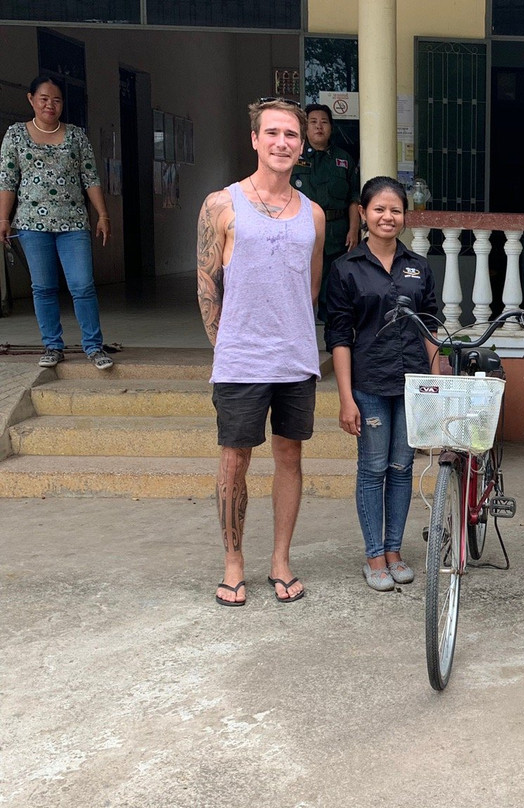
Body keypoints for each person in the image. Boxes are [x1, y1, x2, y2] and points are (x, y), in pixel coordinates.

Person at [196, 98, 326, 607]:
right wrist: (225, 347)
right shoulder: (221, 204)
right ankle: (233, 563)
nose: (282, 142)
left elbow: (309, 289)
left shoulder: (312, 215)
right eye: (272, 133)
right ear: (254, 139)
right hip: (240, 360)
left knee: (289, 457)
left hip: (295, 358)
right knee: (234, 461)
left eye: (291, 135)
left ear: (301, 145)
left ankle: (280, 558)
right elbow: (207, 284)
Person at [325, 176, 439, 592]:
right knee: (373, 469)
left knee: (402, 467)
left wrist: (435, 386)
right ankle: (374, 554)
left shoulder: (419, 267)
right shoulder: (346, 269)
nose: (388, 217)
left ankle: (394, 550)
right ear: (364, 213)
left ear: (404, 217)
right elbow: (339, 337)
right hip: (369, 384)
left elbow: (431, 327)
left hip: (412, 384)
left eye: (395, 210)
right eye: (379, 209)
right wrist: (345, 398)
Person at [0, 76, 114, 371]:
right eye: (44, 98)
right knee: (43, 287)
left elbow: (90, 178)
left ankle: (93, 346)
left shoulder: (76, 136)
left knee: (82, 284)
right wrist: (3, 218)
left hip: (74, 224)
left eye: (57, 100)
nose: (50, 105)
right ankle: (52, 345)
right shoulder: (15, 136)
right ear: (31, 99)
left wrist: (102, 214)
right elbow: (7, 181)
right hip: (31, 226)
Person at [290, 103, 360, 322]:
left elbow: (353, 198)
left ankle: (333, 343)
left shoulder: (344, 159)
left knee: (334, 291)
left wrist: (354, 230)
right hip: (302, 232)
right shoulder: (293, 157)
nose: (319, 127)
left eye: (324, 122)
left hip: (335, 234)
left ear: (331, 127)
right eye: (313, 122)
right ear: (305, 127)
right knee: (301, 290)